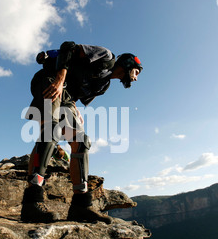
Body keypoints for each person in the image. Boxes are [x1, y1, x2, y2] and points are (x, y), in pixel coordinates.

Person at [22, 41, 143, 224]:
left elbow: (76, 89)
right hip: (50, 79)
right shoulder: (106, 56)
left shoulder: (104, 85)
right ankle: (32, 201)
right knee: (51, 131)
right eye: (136, 72)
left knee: (81, 141)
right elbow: (68, 46)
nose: (135, 78)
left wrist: (74, 107)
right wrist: (60, 80)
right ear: (127, 64)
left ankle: (80, 206)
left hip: (67, 96)